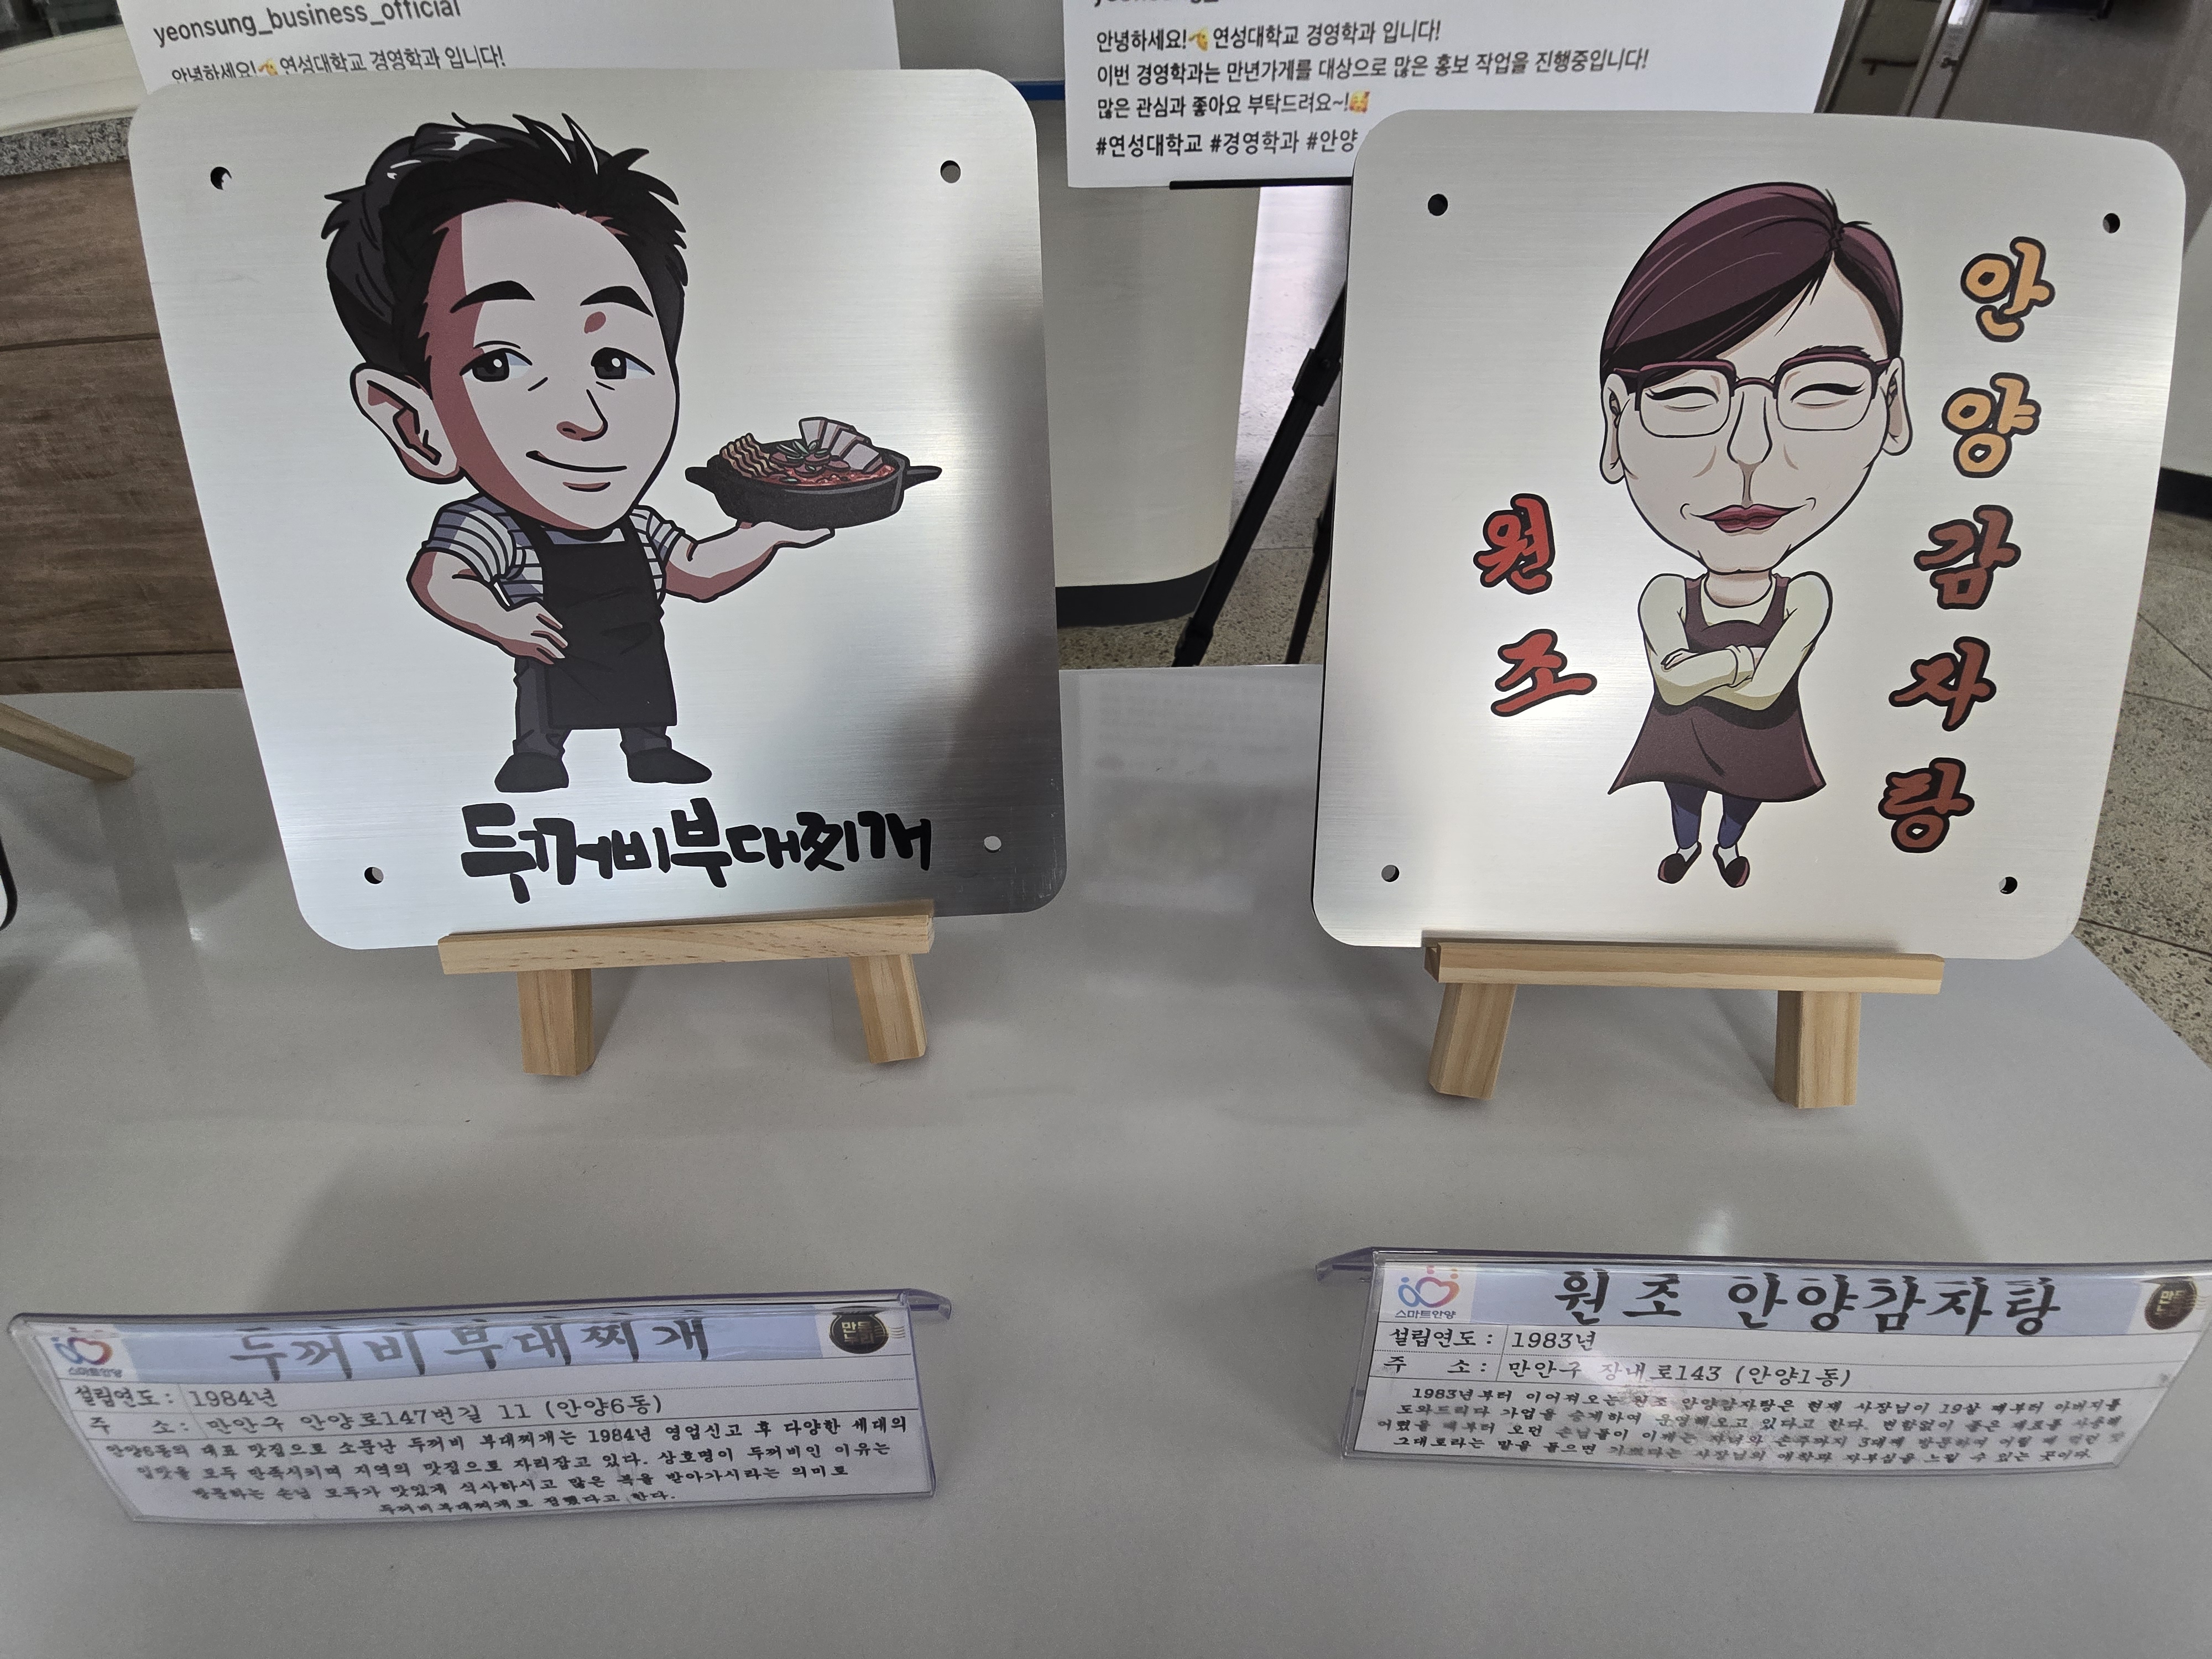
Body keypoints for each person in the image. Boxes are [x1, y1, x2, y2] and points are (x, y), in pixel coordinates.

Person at [324, 114, 832, 794]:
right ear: (417, 425)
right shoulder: (492, 526)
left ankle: (648, 747)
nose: (587, 420)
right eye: (499, 364)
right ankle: (539, 753)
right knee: (544, 694)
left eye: (614, 361)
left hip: (631, 656)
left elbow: (695, 572)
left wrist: (768, 534)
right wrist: (500, 621)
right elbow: (439, 577)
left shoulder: (639, 527)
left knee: (643, 685)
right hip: (548, 652)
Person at [1599, 183, 1912, 886]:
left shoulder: (1806, 593)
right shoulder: (1664, 592)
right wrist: (1747, 662)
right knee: (1683, 793)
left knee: (1743, 797)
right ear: (1616, 419)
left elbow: (1749, 688)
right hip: (1685, 738)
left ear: (1890, 403)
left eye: (1823, 388)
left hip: (1762, 738)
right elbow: (1679, 686)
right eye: (1684, 392)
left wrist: (1709, 669)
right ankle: (1687, 849)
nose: (1749, 448)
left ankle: (1727, 850)